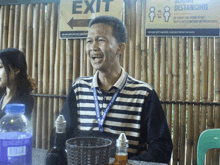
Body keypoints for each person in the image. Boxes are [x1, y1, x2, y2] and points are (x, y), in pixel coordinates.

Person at [51, 15, 173, 163]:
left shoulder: (143, 94)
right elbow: (62, 134)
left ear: (120, 48)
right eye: (89, 41)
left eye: (101, 40)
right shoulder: (79, 88)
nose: (93, 47)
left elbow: (162, 147)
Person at [0, 48, 37, 121]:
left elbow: (15, 128)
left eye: (0, 67)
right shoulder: (1, 93)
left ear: (16, 70)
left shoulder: (26, 101)